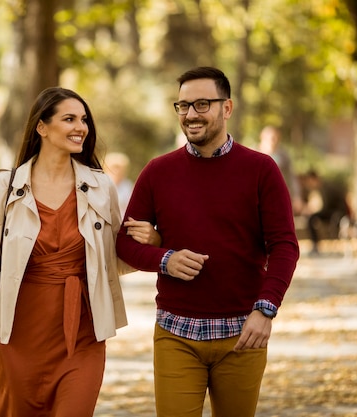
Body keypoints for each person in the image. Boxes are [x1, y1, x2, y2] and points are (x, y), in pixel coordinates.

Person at [116, 67, 300, 417]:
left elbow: (285, 246)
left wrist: (266, 309)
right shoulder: (157, 171)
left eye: (202, 104)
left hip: (242, 332)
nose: (190, 114)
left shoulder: (261, 170)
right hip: (175, 331)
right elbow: (125, 243)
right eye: (183, 106)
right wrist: (164, 258)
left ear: (226, 108)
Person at [0, 87, 160, 416]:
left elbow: (115, 260)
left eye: (83, 119)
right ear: (41, 127)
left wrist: (153, 243)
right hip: (17, 334)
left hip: (82, 334)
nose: (80, 127)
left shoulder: (100, 187)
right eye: (68, 119)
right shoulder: (3, 187)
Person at [300, 169, 350, 255]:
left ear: (314, 179)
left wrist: (313, 211)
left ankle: (315, 246)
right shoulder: (323, 187)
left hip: (337, 213)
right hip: (333, 212)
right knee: (311, 218)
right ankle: (315, 245)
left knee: (311, 218)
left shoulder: (326, 187)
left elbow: (326, 206)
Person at [258, 125, 303, 214]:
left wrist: (297, 196)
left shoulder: (283, 155)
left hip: (278, 196)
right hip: (258, 195)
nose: (274, 141)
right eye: (271, 138)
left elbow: (291, 176)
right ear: (262, 137)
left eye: (276, 138)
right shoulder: (252, 152)